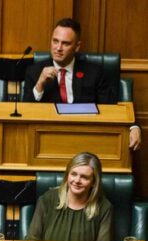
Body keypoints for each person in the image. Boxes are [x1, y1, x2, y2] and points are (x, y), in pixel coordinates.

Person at [23, 18, 141, 151]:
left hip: (87, 137)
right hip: (48, 138)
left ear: (77, 46)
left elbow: (111, 107)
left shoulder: (94, 72)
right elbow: (25, 112)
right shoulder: (34, 71)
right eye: (55, 41)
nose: (58, 48)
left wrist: (133, 127)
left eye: (65, 43)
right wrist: (39, 85)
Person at [26, 152, 112, 241]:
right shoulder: (47, 199)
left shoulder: (104, 207)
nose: (77, 180)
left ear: (94, 182)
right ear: (67, 175)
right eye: (73, 174)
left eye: (84, 177)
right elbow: (32, 240)